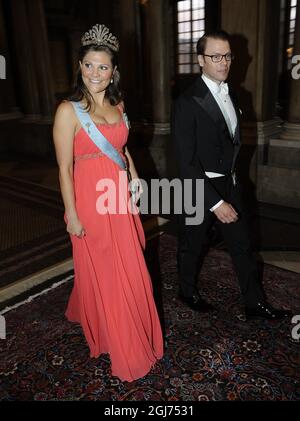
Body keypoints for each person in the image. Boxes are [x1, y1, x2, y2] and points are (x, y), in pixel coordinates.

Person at [53, 24, 163, 382]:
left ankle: (95, 310)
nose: (95, 73)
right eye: (89, 65)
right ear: (79, 66)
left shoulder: (119, 104)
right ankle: (125, 345)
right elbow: (64, 169)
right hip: (89, 198)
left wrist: (133, 174)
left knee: (129, 261)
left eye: (103, 67)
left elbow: (121, 147)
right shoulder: (68, 111)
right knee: (110, 270)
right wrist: (71, 212)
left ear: (114, 71)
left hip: (118, 197)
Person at [171, 30, 291, 320]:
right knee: (192, 245)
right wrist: (215, 202)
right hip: (199, 189)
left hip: (231, 184)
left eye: (227, 56)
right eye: (215, 56)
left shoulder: (234, 92)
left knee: (243, 245)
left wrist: (230, 188)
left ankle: (254, 302)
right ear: (200, 60)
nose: (223, 62)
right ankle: (187, 291)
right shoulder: (187, 102)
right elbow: (186, 163)